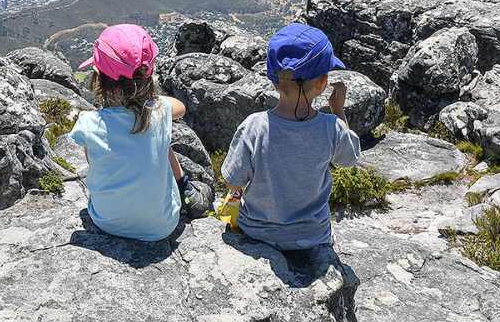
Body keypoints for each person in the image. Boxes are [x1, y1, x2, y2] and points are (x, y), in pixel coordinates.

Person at [219, 22, 361, 250]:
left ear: (273, 80)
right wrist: (339, 111)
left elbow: (231, 181)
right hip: (313, 236)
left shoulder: (253, 127)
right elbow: (350, 158)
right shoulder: (330, 126)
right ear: (323, 83)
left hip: (257, 233)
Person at [69, 23, 213, 241]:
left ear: (98, 77)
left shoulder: (89, 124)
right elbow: (180, 108)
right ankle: (186, 188)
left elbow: (94, 165)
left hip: (106, 221)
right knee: (160, 143)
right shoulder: (159, 111)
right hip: (162, 226)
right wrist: (149, 101)